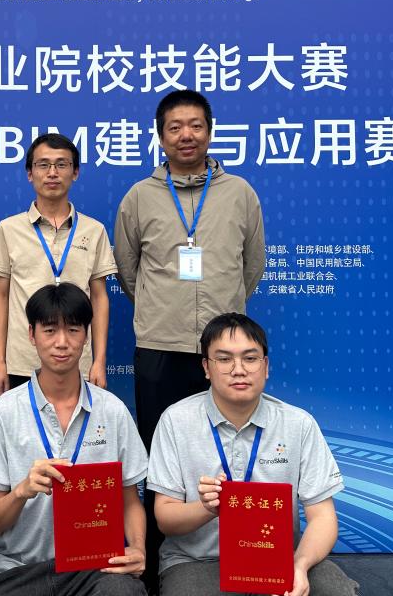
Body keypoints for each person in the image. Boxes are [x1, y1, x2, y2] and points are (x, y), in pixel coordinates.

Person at [114, 90, 265, 587]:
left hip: (224, 351)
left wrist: (223, 314)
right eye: (175, 127)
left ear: (210, 131)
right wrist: (163, 308)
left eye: (196, 125)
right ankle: (157, 566)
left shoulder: (240, 192)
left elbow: (252, 265)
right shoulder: (140, 196)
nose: (186, 135)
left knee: (230, 451)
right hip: (160, 345)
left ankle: (242, 557)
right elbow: (129, 270)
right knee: (158, 456)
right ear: (160, 136)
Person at [147, 313, 358, 596]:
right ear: (206, 367)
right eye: (224, 359)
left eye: (250, 358)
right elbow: (165, 518)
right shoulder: (176, 421)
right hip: (199, 561)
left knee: (335, 590)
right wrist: (207, 507)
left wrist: (299, 565)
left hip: (279, 556)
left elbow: (323, 517)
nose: (239, 370)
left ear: (266, 366)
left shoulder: (299, 424)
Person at [0, 283, 148, 596]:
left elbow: (130, 500)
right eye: (50, 330)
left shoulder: (112, 411)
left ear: (87, 335)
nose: (62, 342)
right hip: (19, 568)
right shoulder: (4, 412)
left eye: (73, 330)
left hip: (95, 567)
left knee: (123, 591)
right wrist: (21, 491)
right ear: (31, 334)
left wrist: (137, 548)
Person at [0, 133, 117, 396]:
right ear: (30, 173)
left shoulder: (94, 230)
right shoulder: (8, 229)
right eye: (43, 165)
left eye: (62, 164)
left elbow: (99, 297)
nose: (52, 173)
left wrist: (99, 360)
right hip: (22, 361)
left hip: (77, 360)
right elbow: (0, 296)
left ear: (75, 172)